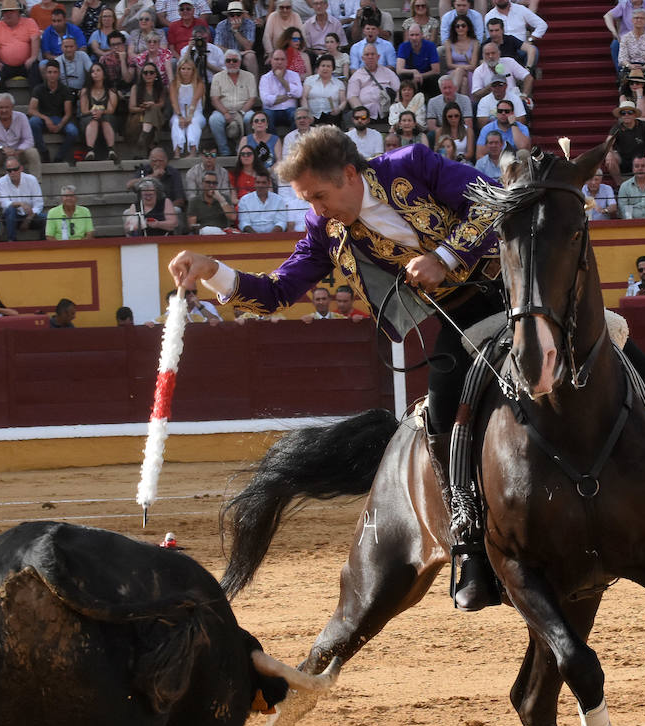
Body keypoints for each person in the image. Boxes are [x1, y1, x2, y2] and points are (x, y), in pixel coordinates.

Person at [168, 127, 507, 609]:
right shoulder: (324, 229)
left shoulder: (412, 166)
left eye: (320, 196)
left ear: (350, 174)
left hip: (521, 279)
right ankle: (470, 542)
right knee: (442, 412)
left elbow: (492, 203)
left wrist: (444, 256)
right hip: (463, 311)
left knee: (618, 358)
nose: (317, 209)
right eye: (309, 200)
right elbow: (277, 291)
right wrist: (213, 269)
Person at [28, 59, 79, 161]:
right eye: (49, 72)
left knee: (73, 131)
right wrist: (46, 119)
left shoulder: (65, 90)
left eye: (55, 72)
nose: (52, 75)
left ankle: (59, 157)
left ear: (59, 74)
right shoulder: (39, 89)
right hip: (43, 119)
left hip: (60, 119)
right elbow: (31, 110)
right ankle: (43, 152)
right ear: (46, 74)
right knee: (33, 122)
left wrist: (60, 125)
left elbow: (68, 113)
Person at [208, 48, 256, 154]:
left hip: (244, 110)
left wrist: (241, 113)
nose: (231, 63)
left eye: (234, 61)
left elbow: (252, 99)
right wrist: (225, 113)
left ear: (240, 62)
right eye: (228, 61)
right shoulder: (217, 77)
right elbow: (214, 99)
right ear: (225, 63)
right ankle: (224, 151)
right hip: (223, 110)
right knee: (214, 120)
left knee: (250, 118)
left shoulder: (249, 76)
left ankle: (247, 148)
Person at [0, 91, 41, 176]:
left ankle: (37, 184)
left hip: (19, 153)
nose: (4, 110)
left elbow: (29, 140)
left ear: (12, 107)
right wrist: (2, 148)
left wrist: (17, 151)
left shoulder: (21, 117)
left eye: (7, 107)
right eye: (1, 107)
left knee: (33, 152)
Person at [0, 0, 41, 82]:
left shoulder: (29, 22)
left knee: (34, 66)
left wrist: (33, 57)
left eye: (11, 11)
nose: (7, 14)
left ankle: (35, 95)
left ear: (18, 12)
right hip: (4, 65)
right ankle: (0, 95)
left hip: (26, 63)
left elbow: (35, 38)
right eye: (5, 11)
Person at [0, 156, 46, 239]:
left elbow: (39, 204)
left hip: (31, 216)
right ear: (6, 171)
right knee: (11, 210)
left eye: (15, 169)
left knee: (48, 218)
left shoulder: (31, 179)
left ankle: (44, 246)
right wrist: (20, 204)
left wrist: (28, 218)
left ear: (21, 168)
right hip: (12, 218)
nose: (12, 172)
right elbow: (4, 203)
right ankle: (11, 242)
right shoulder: (1, 181)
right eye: (9, 170)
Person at [346, 44, 398, 121]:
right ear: (363, 58)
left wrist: (395, 106)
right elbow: (352, 96)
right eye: (367, 55)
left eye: (372, 54)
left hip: (388, 112)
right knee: (349, 116)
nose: (370, 57)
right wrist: (361, 111)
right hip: (365, 115)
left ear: (378, 57)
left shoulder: (388, 73)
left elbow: (399, 90)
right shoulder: (356, 76)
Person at [168, 56, 204, 155]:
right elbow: (174, 102)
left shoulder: (199, 83)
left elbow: (194, 100)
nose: (186, 71)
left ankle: (193, 151)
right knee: (176, 122)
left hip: (195, 112)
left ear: (193, 70)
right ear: (179, 70)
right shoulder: (174, 84)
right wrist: (180, 116)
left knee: (194, 122)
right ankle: (177, 151)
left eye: (189, 69)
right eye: (183, 69)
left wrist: (190, 116)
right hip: (178, 112)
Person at [395, 23, 440, 99]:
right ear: (408, 36)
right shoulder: (403, 46)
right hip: (409, 76)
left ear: (422, 35)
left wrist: (420, 75)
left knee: (435, 78)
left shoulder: (430, 46)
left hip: (426, 76)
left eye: (417, 35)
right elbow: (399, 70)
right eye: (412, 35)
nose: (414, 38)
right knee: (401, 77)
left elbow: (436, 70)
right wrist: (414, 72)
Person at [303, 52, 347, 125]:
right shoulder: (309, 80)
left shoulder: (339, 83)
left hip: (332, 116)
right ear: (318, 67)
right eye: (323, 66)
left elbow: (343, 101)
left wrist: (338, 110)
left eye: (328, 66)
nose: (325, 68)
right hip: (312, 115)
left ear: (333, 69)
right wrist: (307, 113)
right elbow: (304, 97)